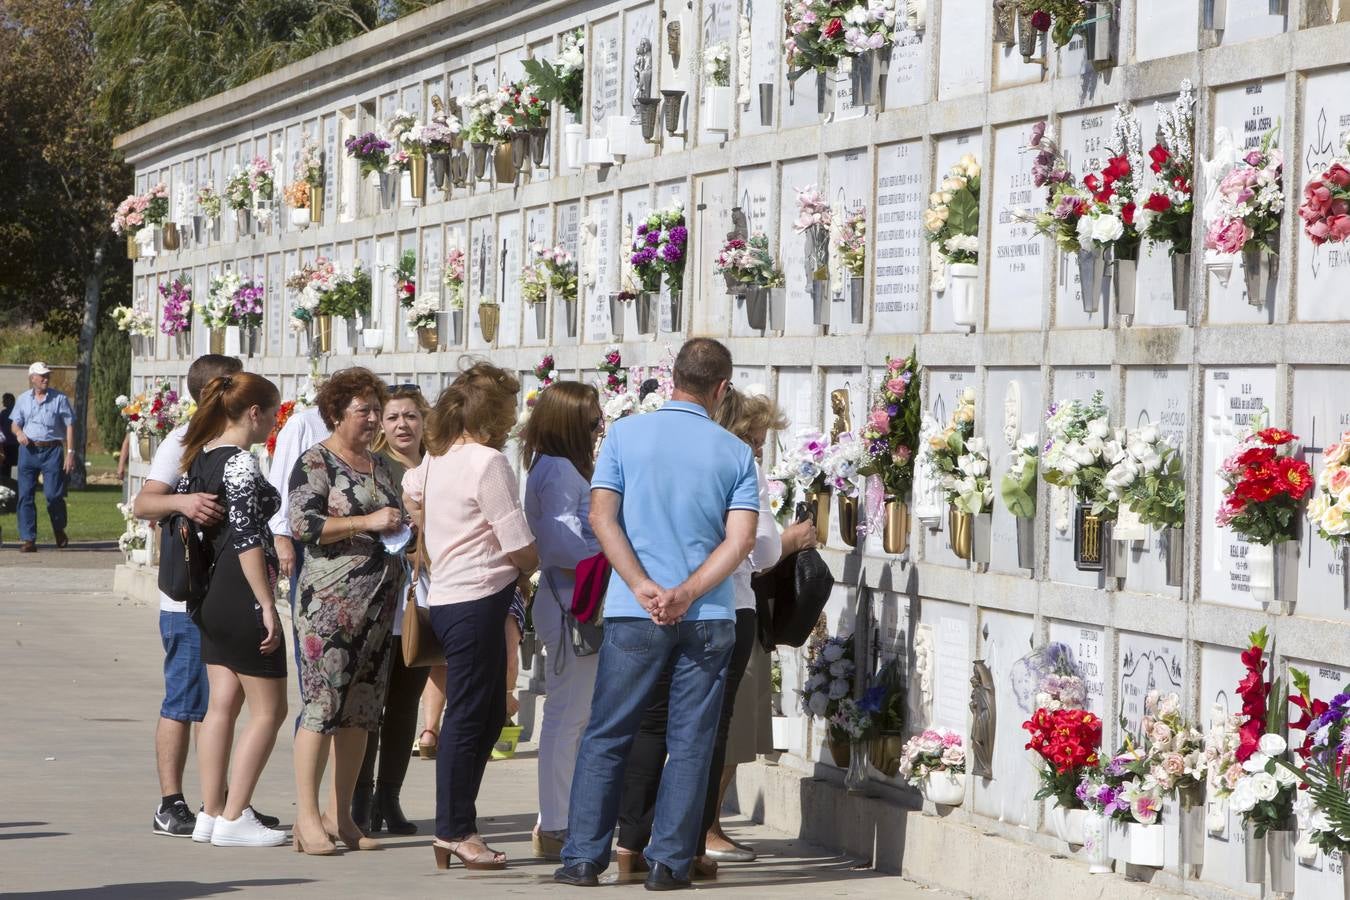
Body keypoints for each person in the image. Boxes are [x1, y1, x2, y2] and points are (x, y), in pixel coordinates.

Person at [555, 338, 760, 890]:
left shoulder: (623, 435)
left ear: (675, 378)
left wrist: (644, 585)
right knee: (692, 740)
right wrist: (688, 591)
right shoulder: (735, 453)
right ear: (721, 389)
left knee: (608, 733)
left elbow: (602, 519)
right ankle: (669, 863)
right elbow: (740, 541)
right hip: (709, 613)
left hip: (633, 610)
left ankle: (583, 858)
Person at [403, 361, 538, 872]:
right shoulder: (487, 463)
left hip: (451, 596)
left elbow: (411, 490)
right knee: (468, 716)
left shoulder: (438, 459)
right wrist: (532, 563)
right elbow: (518, 541)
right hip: (481, 595)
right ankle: (455, 830)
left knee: (481, 716)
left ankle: (457, 827)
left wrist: (432, 531)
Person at [131, 354, 253, 838]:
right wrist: (183, 501)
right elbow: (144, 502)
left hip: (222, 596)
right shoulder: (180, 442)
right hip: (185, 600)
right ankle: (170, 802)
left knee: (222, 703)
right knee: (185, 700)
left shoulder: (236, 444)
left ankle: (217, 804)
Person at [288, 368, 405, 856]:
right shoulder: (317, 461)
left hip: (378, 606)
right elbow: (301, 522)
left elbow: (392, 520)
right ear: (336, 413)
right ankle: (306, 819)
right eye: (365, 410)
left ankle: (343, 816)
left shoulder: (379, 465)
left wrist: (403, 526)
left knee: (361, 712)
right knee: (323, 707)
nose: (374, 418)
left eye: (377, 408)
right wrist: (367, 521)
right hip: (330, 607)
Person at [175, 372, 289, 848]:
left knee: (222, 704)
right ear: (254, 412)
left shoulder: (199, 458)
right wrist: (266, 604)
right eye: (273, 413)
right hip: (240, 591)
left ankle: (210, 812)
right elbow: (245, 538)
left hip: (209, 595)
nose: (273, 425)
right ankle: (236, 815)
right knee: (271, 710)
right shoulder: (240, 463)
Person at [704, 390, 816, 861]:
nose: (758, 450)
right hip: (734, 607)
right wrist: (794, 539)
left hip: (696, 606)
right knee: (728, 728)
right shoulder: (740, 467)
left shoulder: (701, 462)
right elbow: (761, 550)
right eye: (754, 438)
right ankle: (705, 828)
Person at [520, 381, 604, 861]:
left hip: (578, 600)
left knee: (576, 715)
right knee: (567, 715)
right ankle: (555, 823)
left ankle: (564, 818)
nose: (598, 431)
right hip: (570, 601)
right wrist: (613, 548)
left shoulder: (561, 468)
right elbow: (559, 543)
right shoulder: (556, 471)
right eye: (591, 422)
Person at [354, 384, 431, 837]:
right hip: (382, 597)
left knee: (405, 706)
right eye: (394, 417)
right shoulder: (376, 469)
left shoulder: (437, 467)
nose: (403, 425)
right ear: (381, 425)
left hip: (422, 600)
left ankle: (390, 798)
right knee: (371, 706)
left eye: (411, 417)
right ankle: (360, 799)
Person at [266, 392, 331, 676]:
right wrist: (281, 538)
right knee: (311, 637)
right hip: (307, 545)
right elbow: (281, 483)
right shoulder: (304, 424)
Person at [10, 362, 76, 552]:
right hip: (28, 451)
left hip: (53, 451)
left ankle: (59, 529)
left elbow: (70, 426)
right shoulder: (23, 399)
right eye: (42, 375)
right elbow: (15, 424)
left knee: (53, 495)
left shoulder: (59, 399)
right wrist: (19, 433)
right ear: (33, 378)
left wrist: (70, 453)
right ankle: (28, 539)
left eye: (47, 375)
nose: (46, 378)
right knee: (25, 495)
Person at [2, 392, 19, 485]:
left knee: (7, 465)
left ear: (10, 400)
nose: (3, 402)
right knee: (6, 465)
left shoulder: (17, 412)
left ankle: (7, 482)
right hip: (7, 443)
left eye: (5, 399)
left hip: (13, 443)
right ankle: (6, 482)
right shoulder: (3, 413)